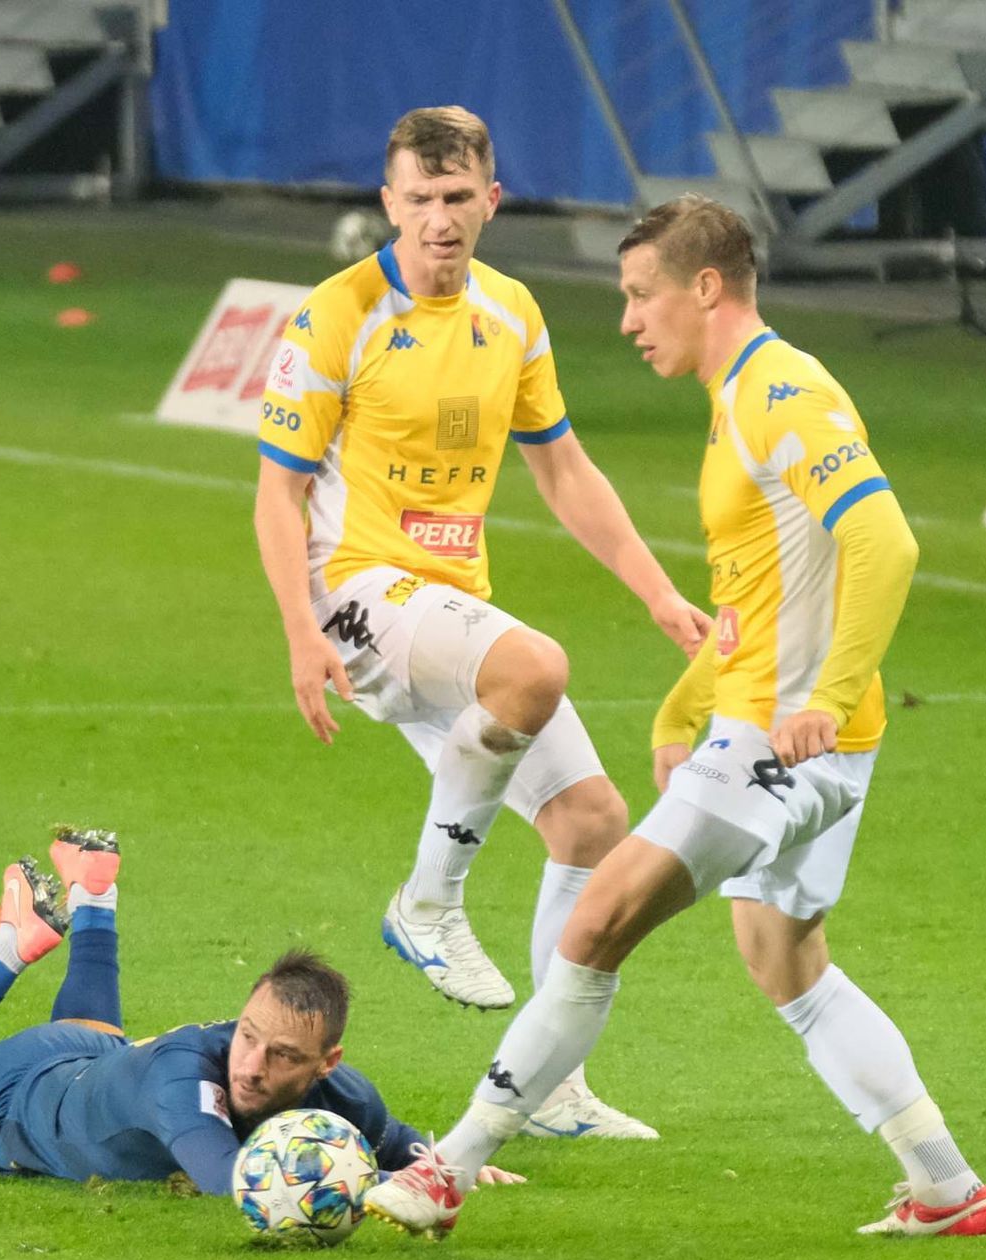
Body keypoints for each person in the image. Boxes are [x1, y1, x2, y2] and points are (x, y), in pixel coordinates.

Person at [364, 195, 986, 1240]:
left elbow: (885, 544)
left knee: (596, 918)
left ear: (706, 287)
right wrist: (684, 701)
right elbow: (763, 585)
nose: (627, 319)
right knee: (784, 959)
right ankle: (945, 1184)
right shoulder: (740, 393)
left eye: (639, 294)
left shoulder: (781, 392)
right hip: (794, 736)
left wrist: (822, 700)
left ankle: (450, 1167)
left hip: (784, 742)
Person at [254, 105, 710, 1142]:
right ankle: (427, 901)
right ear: (388, 203)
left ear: (492, 201)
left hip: (445, 604)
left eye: (459, 198)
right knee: (535, 666)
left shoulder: (512, 313)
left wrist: (654, 588)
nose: (439, 219)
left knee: (593, 822)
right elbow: (277, 494)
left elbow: (562, 466)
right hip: (359, 596)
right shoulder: (340, 313)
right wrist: (298, 628)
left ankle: (546, 1084)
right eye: (419, 199)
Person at [0, 827, 522, 1194]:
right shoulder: (186, 1083)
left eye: (282, 1055)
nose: (251, 1065)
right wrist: (368, 1181)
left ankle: (94, 902)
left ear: (325, 1063)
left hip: (92, 1056)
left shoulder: (343, 1093)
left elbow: (394, 1135)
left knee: (98, 1041)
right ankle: (8, 947)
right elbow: (228, 1178)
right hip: (17, 1100)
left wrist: (447, 1163)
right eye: (248, 1037)